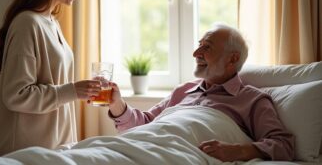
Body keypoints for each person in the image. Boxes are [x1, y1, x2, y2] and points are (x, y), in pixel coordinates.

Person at [106, 23, 295, 162]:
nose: (196, 53)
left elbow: (283, 145)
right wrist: (117, 104)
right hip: (142, 144)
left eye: (207, 47)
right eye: (199, 44)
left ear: (233, 58)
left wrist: (237, 151)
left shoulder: (252, 99)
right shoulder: (183, 90)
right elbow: (145, 124)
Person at [0, 0, 101, 155]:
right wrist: (72, 90)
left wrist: (75, 92)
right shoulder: (27, 23)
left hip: (56, 149)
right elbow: (17, 95)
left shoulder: (51, 22)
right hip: (27, 153)